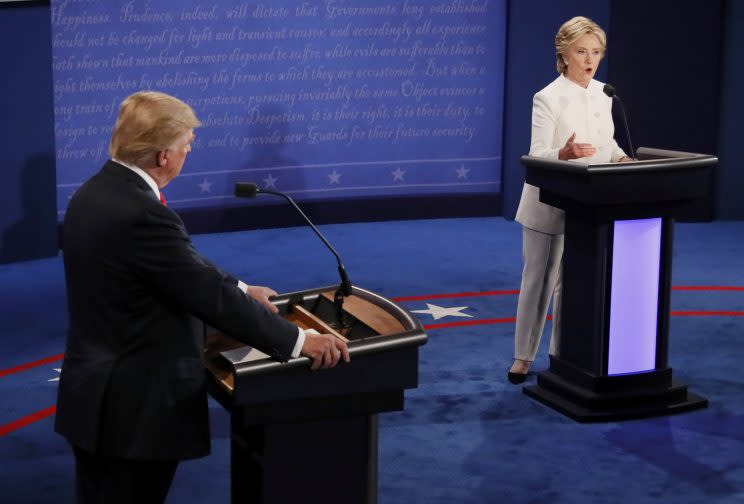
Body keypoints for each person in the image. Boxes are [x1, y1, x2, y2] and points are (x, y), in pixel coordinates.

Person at [55, 91, 350, 503]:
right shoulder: (142, 213)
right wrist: (300, 341)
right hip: (133, 411)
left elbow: (179, 265)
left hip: (95, 394)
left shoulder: (95, 193)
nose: (187, 152)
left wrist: (244, 289)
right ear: (162, 155)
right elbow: (206, 294)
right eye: (186, 145)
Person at [509, 16, 631, 384]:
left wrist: (624, 158)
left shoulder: (603, 93)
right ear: (564, 52)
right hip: (549, 204)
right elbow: (536, 153)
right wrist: (563, 154)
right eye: (582, 51)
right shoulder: (547, 97)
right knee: (539, 280)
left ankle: (561, 355)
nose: (590, 59)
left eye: (596, 52)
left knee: (574, 283)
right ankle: (522, 357)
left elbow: (604, 144)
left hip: (589, 205)